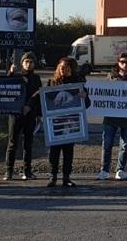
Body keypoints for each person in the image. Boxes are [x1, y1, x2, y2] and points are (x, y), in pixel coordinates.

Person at [30, 57, 89, 187]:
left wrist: (84, 97)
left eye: (67, 68)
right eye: (61, 67)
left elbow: (87, 104)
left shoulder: (78, 84)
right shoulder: (52, 82)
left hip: (70, 122)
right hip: (55, 123)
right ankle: (53, 177)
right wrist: (34, 109)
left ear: (72, 69)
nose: (63, 70)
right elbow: (41, 97)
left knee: (68, 151)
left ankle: (66, 178)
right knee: (54, 151)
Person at [97, 52, 127, 181]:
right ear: (118, 63)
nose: (125, 64)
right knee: (107, 143)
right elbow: (104, 92)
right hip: (112, 115)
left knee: (125, 145)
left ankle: (120, 169)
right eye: (122, 62)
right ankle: (104, 170)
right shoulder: (111, 76)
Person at [4, 52, 42, 181]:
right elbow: (6, 86)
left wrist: (36, 112)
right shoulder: (16, 75)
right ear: (22, 63)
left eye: (31, 62)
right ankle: (8, 171)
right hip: (15, 114)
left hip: (30, 114)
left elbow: (37, 95)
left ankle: (27, 171)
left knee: (28, 143)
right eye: (26, 61)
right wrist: (10, 72)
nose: (29, 64)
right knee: (12, 143)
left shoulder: (36, 78)